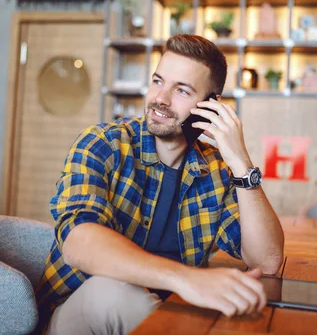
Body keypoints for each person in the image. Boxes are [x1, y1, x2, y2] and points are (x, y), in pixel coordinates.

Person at [35, 34, 285, 335]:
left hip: (168, 316)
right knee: (113, 294)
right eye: (157, 81)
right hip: (79, 311)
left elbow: (267, 261)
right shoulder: (102, 144)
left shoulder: (217, 169)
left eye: (181, 89)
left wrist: (242, 163)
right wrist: (186, 279)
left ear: (209, 106)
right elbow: (80, 242)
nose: (160, 98)